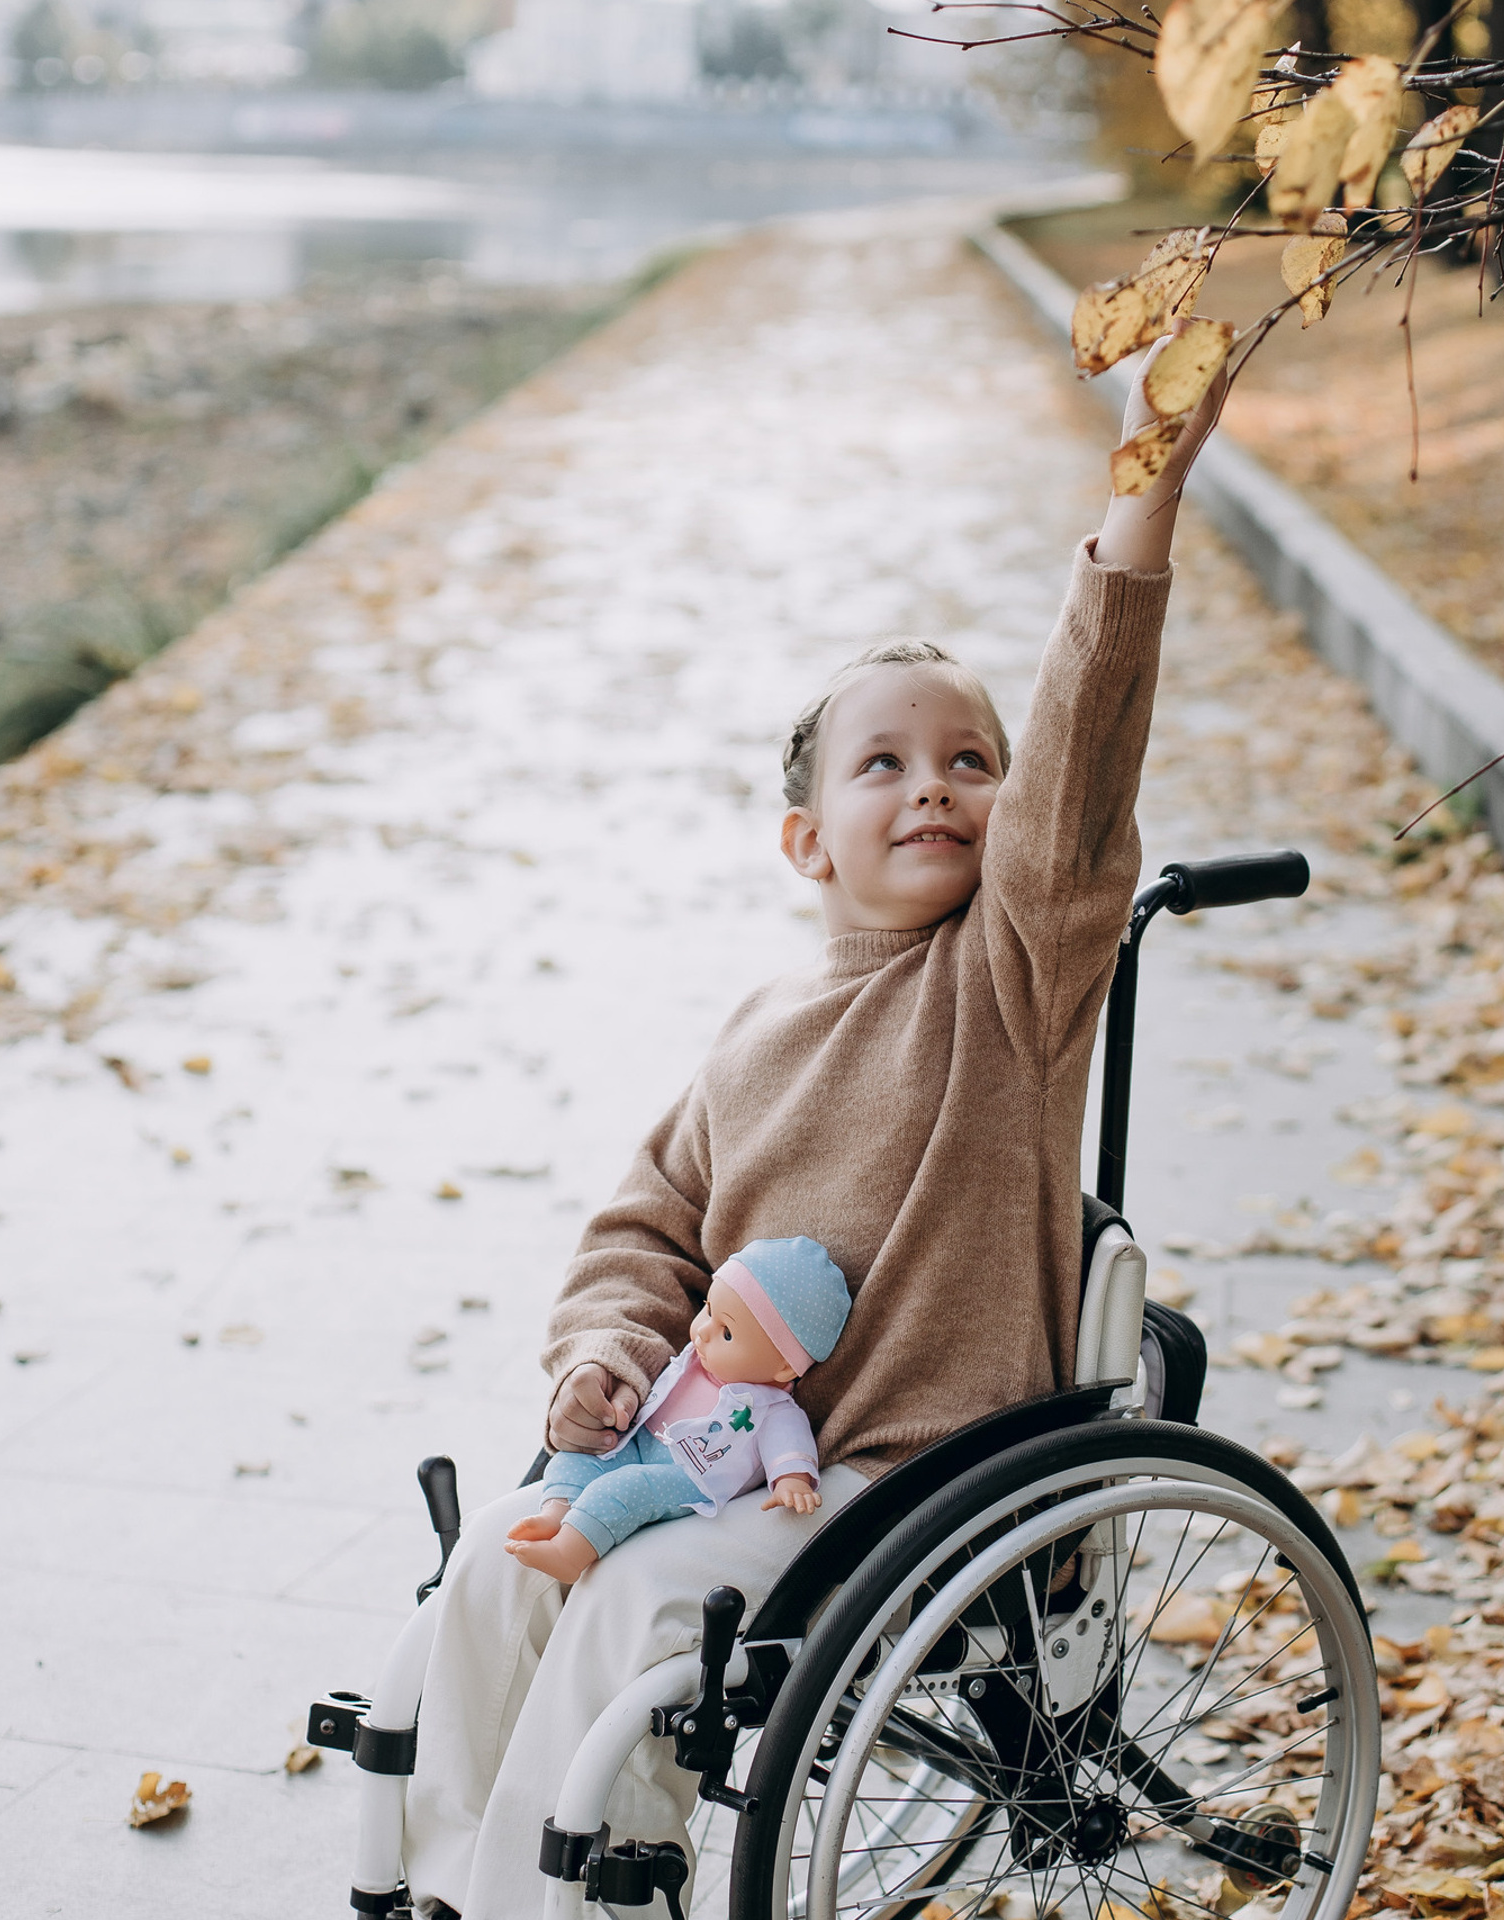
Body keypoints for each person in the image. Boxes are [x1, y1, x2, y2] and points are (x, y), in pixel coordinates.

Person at [400, 330, 1226, 1919]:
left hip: (909, 1480)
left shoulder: (1013, 981)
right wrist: (604, 1352)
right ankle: (449, 1881)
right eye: (889, 765)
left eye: (972, 763)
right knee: (504, 1557)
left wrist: (1144, 502)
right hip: (707, 1451)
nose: (939, 789)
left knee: (642, 1600)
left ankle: (562, 1900)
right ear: (806, 837)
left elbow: (1080, 773)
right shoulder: (759, 1034)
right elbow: (645, 1231)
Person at [504, 1238, 851, 1582]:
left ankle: (570, 1552)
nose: (702, 1331)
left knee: (626, 1489)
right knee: (575, 1458)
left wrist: (791, 1481)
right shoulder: (697, 1361)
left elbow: (789, 1446)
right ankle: (557, 1512)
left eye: (726, 1333)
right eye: (708, 1309)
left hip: (692, 1476)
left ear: (786, 1368)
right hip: (642, 1444)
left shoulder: (771, 1408)